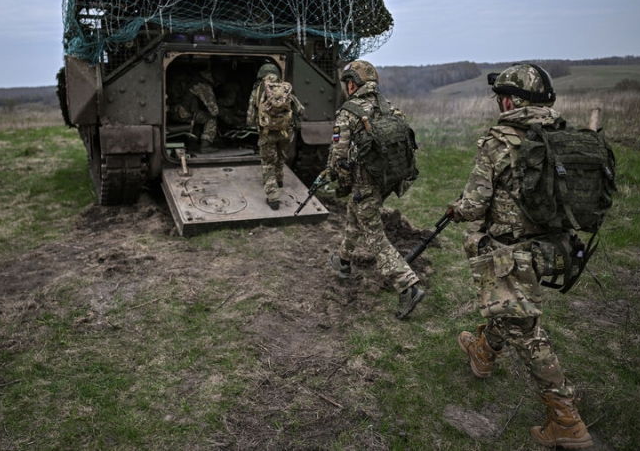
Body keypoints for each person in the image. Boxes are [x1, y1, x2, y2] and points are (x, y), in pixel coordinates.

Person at [446, 63, 593, 449]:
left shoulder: (499, 141)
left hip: (510, 253)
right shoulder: (561, 135)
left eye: (500, 99)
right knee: (509, 310)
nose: (499, 105)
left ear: (511, 100)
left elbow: (475, 206)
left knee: (527, 332)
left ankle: (566, 418)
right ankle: (483, 351)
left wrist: (457, 208)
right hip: (553, 248)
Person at [327, 59, 424, 319]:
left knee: (375, 238)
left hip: (364, 184)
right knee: (353, 214)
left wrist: (340, 181)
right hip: (385, 182)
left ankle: (408, 285)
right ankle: (344, 262)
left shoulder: (349, 112)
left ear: (351, 84)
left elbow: (338, 157)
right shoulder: (388, 107)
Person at [246, 63, 305, 209]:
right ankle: (279, 181)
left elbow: (250, 117)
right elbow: (301, 110)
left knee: (268, 164)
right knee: (281, 157)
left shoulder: (258, 90)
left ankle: (273, 198)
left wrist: (258, 123)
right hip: (285, 132)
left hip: (267, 133)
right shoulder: (285, 89)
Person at [168, 66, 219, 153]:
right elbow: (214, 111)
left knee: (199, 116)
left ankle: (192, 144)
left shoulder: (193, 80)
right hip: (183, 113)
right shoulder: (203, 85)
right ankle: (205, 146)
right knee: (211, 118)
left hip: (173, 111)